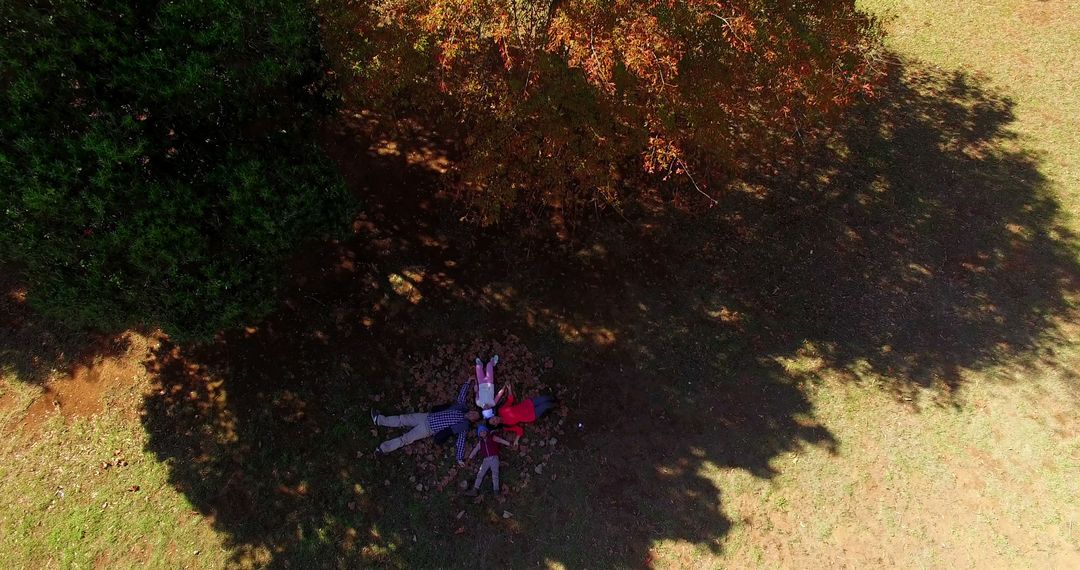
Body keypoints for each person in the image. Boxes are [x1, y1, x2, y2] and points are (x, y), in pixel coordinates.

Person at [371, 382, 479, 463]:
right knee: (402, 419)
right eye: (474, 412)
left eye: (474, 417)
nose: (472, 414)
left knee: (405, 439)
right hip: (426, 417)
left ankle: (382, 449)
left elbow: (460, 442)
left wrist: (459, 459)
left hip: (427, 429)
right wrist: (468, 382)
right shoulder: (461, 407)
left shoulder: (463, 426)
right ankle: (379, 420)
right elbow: (462, 396)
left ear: (473, 420)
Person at [486, 384, 557, 444]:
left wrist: (509, 389)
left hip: (527, 404)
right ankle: (556, 404)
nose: (495, 419)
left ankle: (554, 397)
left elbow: (510, 400)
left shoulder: (501, 410)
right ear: (495, 425)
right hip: (530, 415)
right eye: (494, 421)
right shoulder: (506, 426)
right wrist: (516, 441)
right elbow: (519, 430)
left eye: (493, 418)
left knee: (545, 398)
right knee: (546, 405)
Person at [465, 425, 512, 496]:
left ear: (487, 431)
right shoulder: (480, 443)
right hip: (486, 460)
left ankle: (496, 490)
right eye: (480, 432)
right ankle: (475, 489)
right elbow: (475, 450)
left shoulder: (492, 437)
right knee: (480, 473)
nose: (482, 432)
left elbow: (500, 440)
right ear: (479, 435)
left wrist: (509, 444)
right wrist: (469, 458)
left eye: (484, 431)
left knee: (495, 474)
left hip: (494, 458)